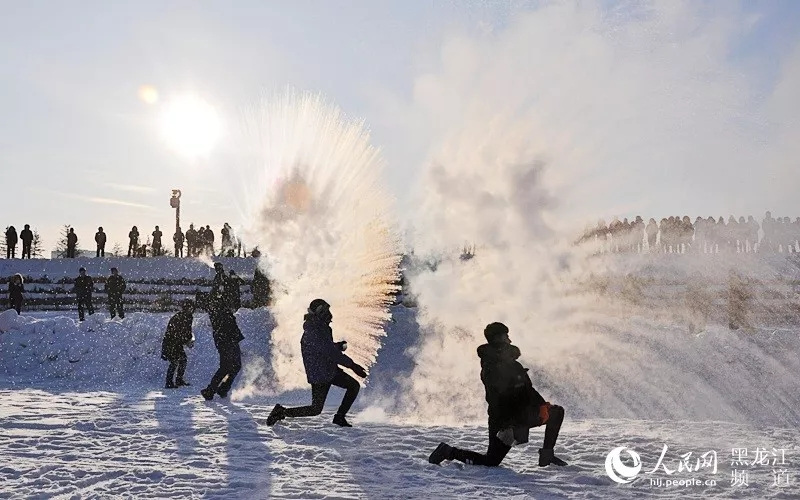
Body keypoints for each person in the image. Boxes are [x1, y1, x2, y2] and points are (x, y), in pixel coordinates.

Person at [428, 322, 568, 468]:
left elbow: (527, 389)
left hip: (521, 416)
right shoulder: (491, 367)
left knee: (556, 412)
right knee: (491, 461)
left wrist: (542, 405)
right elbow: (499, 398)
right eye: (506, 336)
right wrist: (510, 425)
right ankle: (448, 452)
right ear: (498, 339)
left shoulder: (512, 364)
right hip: (503, 420)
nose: (510, 340)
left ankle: (547, 456)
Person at [267, 299, 368, 428]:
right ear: (320, 312)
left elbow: (323, 348)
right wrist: (353, 366)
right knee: (316, 409)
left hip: (326, 370)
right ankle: (281, 412)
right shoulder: (315, 330)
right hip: (321, 373)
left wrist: (336, 346)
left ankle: (339, 417)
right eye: (326, 311)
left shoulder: (319, 327)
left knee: (352, 386)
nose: (330, 314)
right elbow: (329, 352)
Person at [199, 292, 245, 400]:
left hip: (232, 340)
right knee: (226, 367)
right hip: (224, 342)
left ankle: (223, 388)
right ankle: (210, 391)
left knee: (236, 366)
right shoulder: (215, 311)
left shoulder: (224, 310)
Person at [161, 300, 196, 388]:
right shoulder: (180, 317)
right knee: (174, 362)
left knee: (183, 360)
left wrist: (189, 339)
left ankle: (179, 380)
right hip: (171, 342)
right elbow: (178, 332)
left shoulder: (188, 317)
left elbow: (187, 331)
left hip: (177, 343)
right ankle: (168, 383)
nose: (191, 309)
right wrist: (187, 340)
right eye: (190, 307)